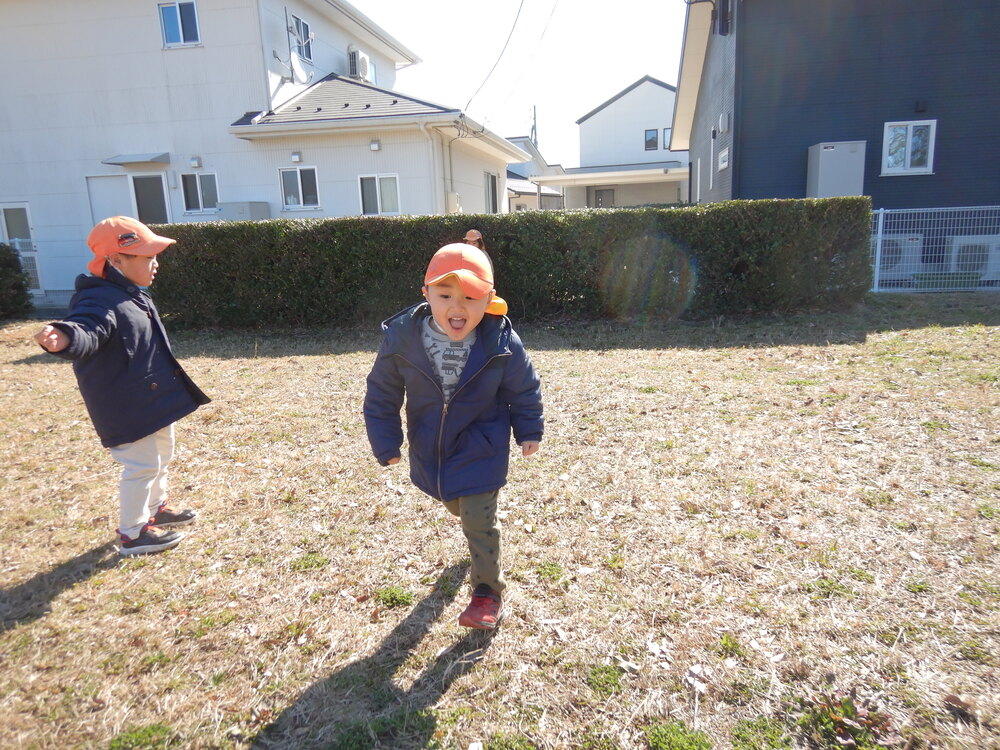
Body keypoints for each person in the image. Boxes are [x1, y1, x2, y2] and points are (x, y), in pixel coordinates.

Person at [364, 242, 543, 629]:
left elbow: (523, 388)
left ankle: (486, 593)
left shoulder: (501, 342)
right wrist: (386, 441)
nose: (457, 308)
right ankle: (474, 542)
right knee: (456, 505)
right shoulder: (403, 339)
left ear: (490, 300)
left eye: (471, 298)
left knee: (478, 518)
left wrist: (529, 429)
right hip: (432, 450)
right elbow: (382, 393)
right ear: (426, 294)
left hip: (483, 446)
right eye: (445, 295)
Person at [33, 216, 210, 556]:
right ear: (115, 261)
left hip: (150, 398)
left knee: (161, 455)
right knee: (141, 465)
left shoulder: (130, 293)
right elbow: (86, 330)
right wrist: (65, 337)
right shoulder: (99, 301)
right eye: (147, 257)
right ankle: (133, 533)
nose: (155, 264)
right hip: (127, 406)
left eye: (155, 256)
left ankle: (157, 508)